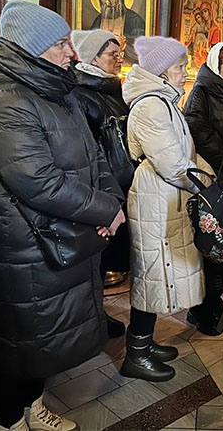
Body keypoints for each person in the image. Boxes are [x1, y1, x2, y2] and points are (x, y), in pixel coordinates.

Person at [0, 1, 126, 431]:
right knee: (23, 339)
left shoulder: (57, 90)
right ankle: (11, 420)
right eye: (62, 43)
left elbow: (96, 156)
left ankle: (34, 406)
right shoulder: (6, 99)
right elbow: (37, 181)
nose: (72, 52)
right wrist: (103, 209)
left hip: (63, 233)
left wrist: (112, 202)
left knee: (41, 341)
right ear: (32, 47)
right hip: (25, 243)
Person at [121, 36, 212, 382]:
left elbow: (185, 152)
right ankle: (137, 354)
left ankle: (144, 342)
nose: (185, 72)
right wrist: (204, 184)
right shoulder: (150, 106)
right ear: (161, 71)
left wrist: (206, 173)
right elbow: (174, 164)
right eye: (179, 67)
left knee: (161, 274)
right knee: (152, 273)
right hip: (155, 198)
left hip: (168, 196)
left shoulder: (164, 102)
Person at [71, 28, 133, 337]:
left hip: (116, 182)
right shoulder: (83, 94)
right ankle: (93, 319)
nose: (118, 60)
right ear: (92, 58)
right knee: (93, 260)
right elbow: (87, 148)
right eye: (112, 55)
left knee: (105, 256)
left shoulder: (111, 90)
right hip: (99, 187)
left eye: (119, 54)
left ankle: (97, 316)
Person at [184, 41, 223, 335]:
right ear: (216, 67)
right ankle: (202, 308)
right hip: (214, 179)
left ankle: (215, 301)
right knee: (212, 245)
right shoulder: (202, 92)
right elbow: (199, 131)